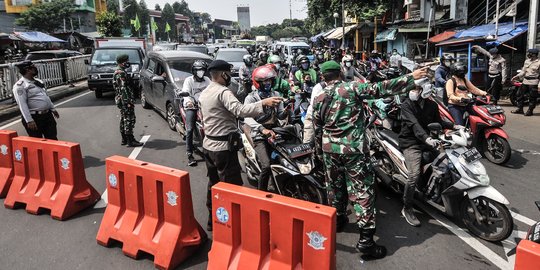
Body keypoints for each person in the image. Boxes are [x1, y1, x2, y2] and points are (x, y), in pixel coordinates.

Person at [312, 60, 428, 259]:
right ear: (340, 72)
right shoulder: (352, 87)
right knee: (362, 191)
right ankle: (366, 242)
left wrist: (319, 152)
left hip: (329, 150)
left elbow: (317, 126)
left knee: (335, 187)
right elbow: (381, 88)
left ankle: (338, 220)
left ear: (323, 77)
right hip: (354, 151)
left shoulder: (319, 96)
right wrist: (410, 78)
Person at [198, 60, 283, 231]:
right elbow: (240, 111)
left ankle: (212, 221)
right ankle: (232, 226)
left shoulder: (205, 92)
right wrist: (263, 104)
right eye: (228, 73)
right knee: (232, 187)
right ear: (223, 74)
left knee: (213, 184)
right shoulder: (223, 92)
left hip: (209, 146)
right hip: (223, 148)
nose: (230, 76)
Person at [399, 78, 455, 227]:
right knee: (414, 175)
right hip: (411, 143)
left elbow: (439, 122)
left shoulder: (432, 105)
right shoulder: (406, 105)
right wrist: (426, 138)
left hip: (429, 141)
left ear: (426, 90)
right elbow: (414, 125)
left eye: (416, 89)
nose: (413, 91)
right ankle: (407, 208)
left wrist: (456, 127)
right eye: (412, 88)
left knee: (449, 163)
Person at [244, 65, 290, 191]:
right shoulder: (251, 98)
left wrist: (286, 111)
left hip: (275, 131)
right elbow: (247, 117)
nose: (268, 83)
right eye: (265, 81)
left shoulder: (276, 94)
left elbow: (280, 114)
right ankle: (261, 191)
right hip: (259, 134)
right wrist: (261, 129)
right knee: (266, 165)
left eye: (269, 80)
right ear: (258, 83)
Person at [13, 61, 59, 140]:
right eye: (33, 67)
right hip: (35, 117)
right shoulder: (20, 86)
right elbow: (22, 104)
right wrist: (29, 120)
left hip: (47, 115)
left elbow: (45, 96)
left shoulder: (38, 81)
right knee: (38, 142)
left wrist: (53, 109)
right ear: (28, 70)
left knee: (53, 139)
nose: (36, 69)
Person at [180, 60, 211, 166]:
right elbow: (186, 93)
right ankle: (189, 154)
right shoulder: (189, 81)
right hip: (192, 107)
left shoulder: (207, 80)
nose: (200, 72)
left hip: (205, 106)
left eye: (202, 70)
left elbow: (213, 91)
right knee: (189, 129)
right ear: (194, 71)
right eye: (198, 70)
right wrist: (189, 102)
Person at [113, 55, 143, 147]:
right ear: (122, 62)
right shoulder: (120, 73)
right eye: (127, 61)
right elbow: (123, 88)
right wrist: (128, 101)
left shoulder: (119, 71)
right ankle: (130, 140)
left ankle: (124, 139)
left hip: (122, 99)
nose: (128, 62)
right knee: (129, 119)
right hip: (125, 100)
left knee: (124, 118)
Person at [511, 48, 540, 116]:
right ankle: (520, 109)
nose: (528, 54)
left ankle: (530, 110)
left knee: (532, 97)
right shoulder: (527, 61)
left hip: (533, 82)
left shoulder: (539, 62)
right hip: (525, 81)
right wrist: (517, 76)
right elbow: (523, 71)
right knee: (519, 94)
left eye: (530, 53)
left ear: (534, 54)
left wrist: (539, 85)